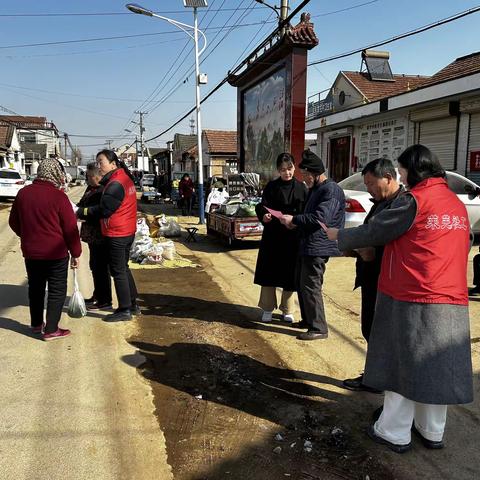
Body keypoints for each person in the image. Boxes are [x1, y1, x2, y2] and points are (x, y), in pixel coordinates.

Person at [327, 145, 473, 453]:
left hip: (411, 295)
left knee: (400, 365)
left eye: (404, 171)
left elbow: (377, 230)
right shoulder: (455, 205)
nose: (402, 178)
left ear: (414, 171)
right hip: (451, 296)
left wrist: (339, 236)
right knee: (435, 368)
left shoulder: (414, 201)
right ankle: (432, 431)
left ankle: (394, 431)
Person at [342, 158, 403, 393]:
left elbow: (395, 244)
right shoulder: (381, 202)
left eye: (370, 183)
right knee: (369, 328)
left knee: (380, 332)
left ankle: (379, 380)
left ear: (388, 178)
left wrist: (372, 254)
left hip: (385, 279)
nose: (368, 188)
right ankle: (375, 376)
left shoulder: (401, 206)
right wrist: (355, 249)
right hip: (370, 275)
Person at [9, 158, 82, 341]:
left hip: (31, 252)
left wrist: (27, 236)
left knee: (35, 288)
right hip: (55, 254)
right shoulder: (59, 197)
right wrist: (76, 253)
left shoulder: (23, 194)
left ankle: (36, 325)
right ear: (56, 173)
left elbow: (13, 222)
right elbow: (70, 228)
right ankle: (51, 329)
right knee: (57, 290)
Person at [280, 150, 345, 340]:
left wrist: (295, 219)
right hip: (307, 244)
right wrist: (295, 223)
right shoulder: (316, 190)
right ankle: (308, 320)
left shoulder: (330, 190)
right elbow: (308, 218)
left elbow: (320, 218)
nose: (305, 179)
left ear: (316, 174)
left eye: (307, 175)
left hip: (318, 247)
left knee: (311, 286)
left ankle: (319, 327)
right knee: (302, 284)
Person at [78, 149, 139, 322]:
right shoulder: (122, 179)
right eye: (97, 162)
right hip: (125, 230)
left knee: (117, 271)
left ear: (113, 163)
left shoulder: (115, 183)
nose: (99, 166)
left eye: (101, 162)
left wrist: (80, 211)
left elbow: (104, 210)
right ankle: (132, 304)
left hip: (118, 232)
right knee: (123, 268)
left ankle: (124, 309)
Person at [254, 153, 308, 323]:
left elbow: (306, 212)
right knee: (269, 273)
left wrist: (296, 222)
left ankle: (288, 309)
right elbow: (261, 206)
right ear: (278, 170)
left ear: (294, 168)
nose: (287, 173)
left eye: (290, 169)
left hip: (292, 237)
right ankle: (268, 308)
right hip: (273, 237)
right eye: (283, 170)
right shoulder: (271, 187)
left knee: (290, 275)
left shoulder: (302, 188)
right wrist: (264, 216)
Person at [76, 163, 112, 310]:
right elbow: (82, 204)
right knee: (94, 266)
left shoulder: (102, 191)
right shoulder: (90, 189)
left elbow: (98, 212)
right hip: (91, 235)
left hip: (100, 234)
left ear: (96, 176)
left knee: (101, 267)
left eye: (88, 177)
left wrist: (81, 212)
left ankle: (105, 300)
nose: (87, 179)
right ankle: (97, 295)